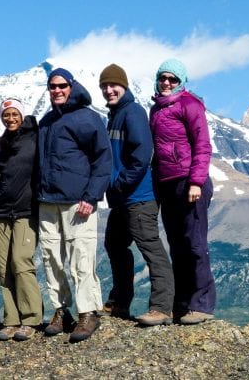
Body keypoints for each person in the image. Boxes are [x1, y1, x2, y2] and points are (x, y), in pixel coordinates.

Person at [38, 68, 112, 343]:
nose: (56, 91)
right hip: (47, 202)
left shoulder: (87, 118)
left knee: (81, 258)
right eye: (52, 87)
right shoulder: (46, 122)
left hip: (78, 203)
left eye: (61, 86)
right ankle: (60, 310)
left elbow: (103, 161)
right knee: (51, 259)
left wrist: (91, 196)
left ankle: (88, 312)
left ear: (71, 86)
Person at [99, 64, 175, 326]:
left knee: (151, 249)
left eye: (114, 85)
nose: (109, 90)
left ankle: (162, 307)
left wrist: (120, 183)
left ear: (124, 86)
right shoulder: (115, 114)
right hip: (122, 198)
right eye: (105, 86)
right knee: (115, 245)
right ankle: (120, 303)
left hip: (139, 196)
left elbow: (142, 154)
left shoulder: (132, 112)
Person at [149, 59, 215, 324]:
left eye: (172, 79)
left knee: (195, 244)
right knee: (177, 246)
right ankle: (182, 304)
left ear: (182, 82)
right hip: (167, 184)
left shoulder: (190, 105)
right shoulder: (156, 109)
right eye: (162, 78)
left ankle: (202, 305)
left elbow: (202, 145)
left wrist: (196, 181)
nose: (166, 83)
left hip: (188, 183)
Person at [0, 98, 43, 341]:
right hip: (1, 213)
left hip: (25, 211)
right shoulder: (1, 143)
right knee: (4, 268)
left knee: (21, 262)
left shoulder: (35, 138)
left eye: (14, 114)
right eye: (6, 115)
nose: (10, 119)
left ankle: (31, 317)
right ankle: (11, 319)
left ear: (21, 115)